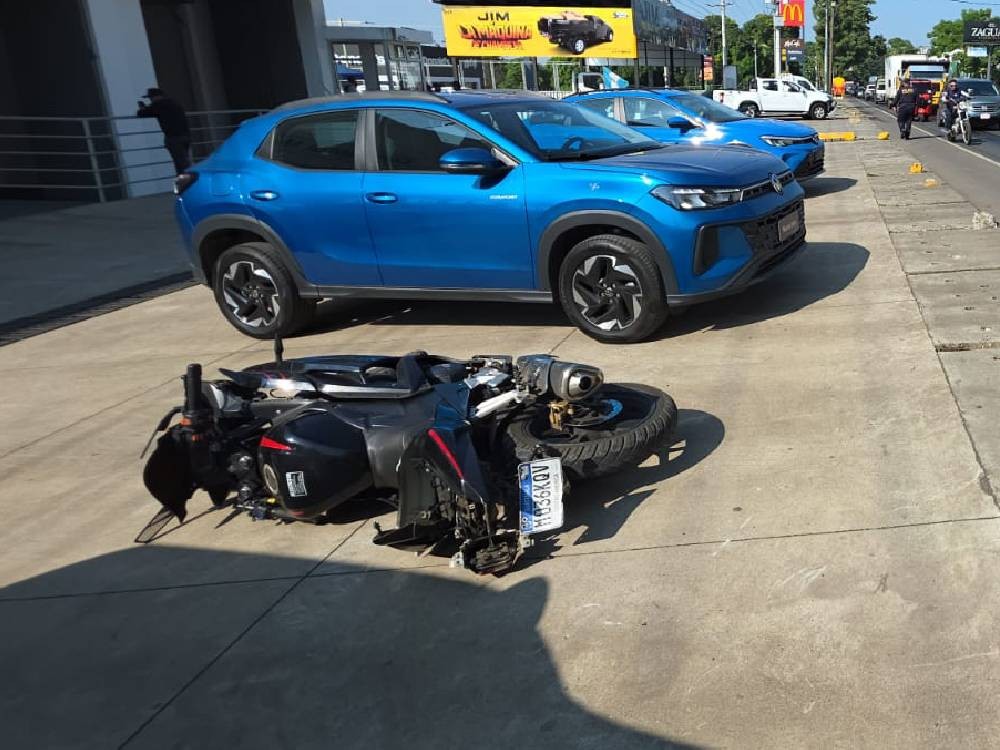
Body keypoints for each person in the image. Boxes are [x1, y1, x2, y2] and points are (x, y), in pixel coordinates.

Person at [136, 87, 191, 174]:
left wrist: (143, 108)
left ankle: (190, 183)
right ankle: (187, 182)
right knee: (183, 161)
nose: (151, 100)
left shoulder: (159, 104)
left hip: (174, 138)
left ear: (156, 97)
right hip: (185, 136)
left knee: (181, 165)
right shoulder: (174, 102)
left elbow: (141, 114)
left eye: (151, 97)